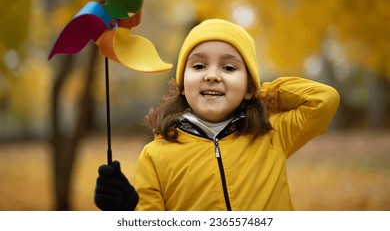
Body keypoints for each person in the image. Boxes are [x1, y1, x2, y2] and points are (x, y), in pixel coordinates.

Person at [94, 19, 340, 211]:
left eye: (229, 67)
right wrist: (125, 211)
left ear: (249, 86)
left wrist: (259, 92)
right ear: (182, 84)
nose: (212, 75)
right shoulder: (155, 156)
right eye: (199, 66)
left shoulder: (272, 134)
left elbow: (323, 100)